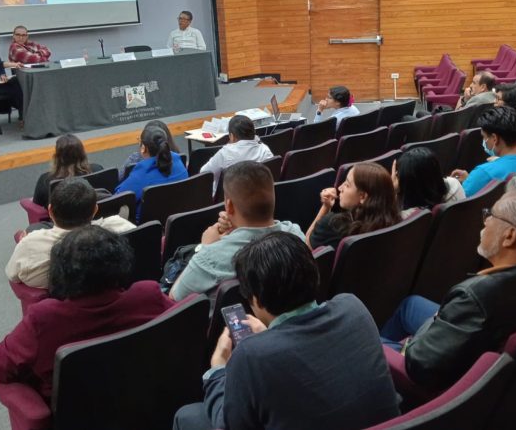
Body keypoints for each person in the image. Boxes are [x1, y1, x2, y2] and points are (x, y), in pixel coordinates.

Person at [173, 232, 401, 430]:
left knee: (187, 416)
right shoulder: (353, 307)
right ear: (314, 274)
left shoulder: (252, 356)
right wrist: (269, 337)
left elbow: (229, 424)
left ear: (256, 299)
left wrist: (218, 371)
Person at [381, 176, 516, 393]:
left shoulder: (475, 298)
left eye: (491, 214)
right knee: (410, 305)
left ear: (510, 236)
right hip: (484, 339)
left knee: (359, 339)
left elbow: (419, 367)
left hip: (436, 376)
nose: (485, 220)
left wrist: (419, 336)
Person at [0, 225, 174, 402]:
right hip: (147, 399)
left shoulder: (44, 319)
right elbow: (182, 323)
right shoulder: (148, 296)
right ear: (122, 262)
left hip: (75, 413)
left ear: (60, 272)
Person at [169, 161, 305, 301]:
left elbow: (174, 297)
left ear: (229, 205)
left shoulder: (210, 257)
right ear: (273, 196)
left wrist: (203, 248)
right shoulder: (296, 234)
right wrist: (236, 228)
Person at [7, 178, 136, 288]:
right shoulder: (123, 227)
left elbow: (12, 275)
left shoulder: (30, 245)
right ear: (95, 210)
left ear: (50, 211)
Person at [450, 106, 516, 195]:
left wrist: (475, 179)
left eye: (484, 137)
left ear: (494, 138)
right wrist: (472, 180)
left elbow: (461, 203)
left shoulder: (484, 173)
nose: (483, 141)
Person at [306, 162, 402, 251]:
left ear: (362, 197)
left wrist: (325, 206)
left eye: (347, 185)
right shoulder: (395, 224)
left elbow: (307, 246)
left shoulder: (332, 224)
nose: (340, 188)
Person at [115, 125, 189, 221]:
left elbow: (119, 197)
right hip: (178, 219)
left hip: (147, 226)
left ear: (143, 148)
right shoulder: (178, 160)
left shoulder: (142, 172)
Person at [200, 115, 274, 191]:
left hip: (232, 196)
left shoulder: (225, 153)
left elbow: (204, 174)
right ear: (253, 133)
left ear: (231, 136)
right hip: (260, 193)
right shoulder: (264, 149)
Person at [32, 134, 104, 207]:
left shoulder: (45, 180)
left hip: (61, 214)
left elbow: (36, 207)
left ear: (57, 157)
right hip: (95, 213)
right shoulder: (98, 170)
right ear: (83, 154)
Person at [393, 147, 465, 218]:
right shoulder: (455, 184)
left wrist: (392, 191)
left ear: (408, 186)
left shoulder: (405, 217)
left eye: (398, 176)